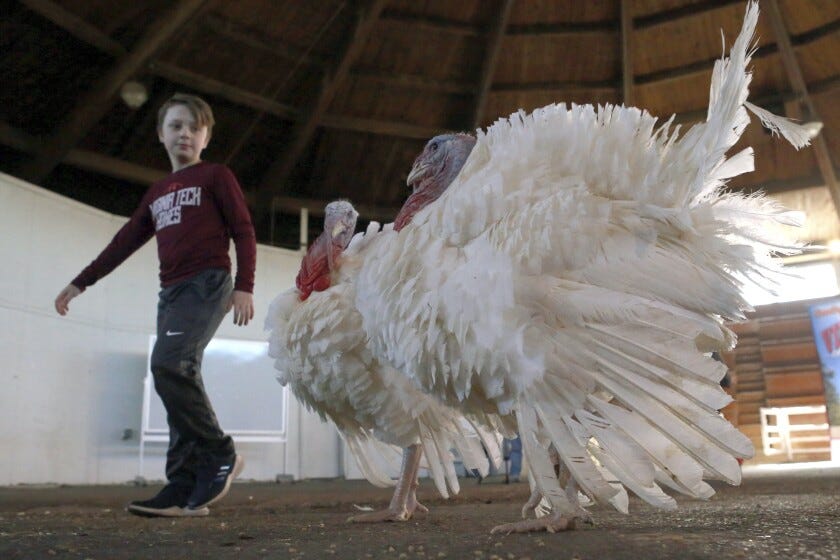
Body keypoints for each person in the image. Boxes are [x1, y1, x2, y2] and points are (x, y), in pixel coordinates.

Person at [54, 93, 256, 518]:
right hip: (172, 293)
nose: (185, 133)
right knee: (175, 377)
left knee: (168, 365)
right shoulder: (158, 191)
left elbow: (243, 230)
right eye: (176, 125)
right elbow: (124, 241)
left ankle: (220, 452)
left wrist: (244, 285)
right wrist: (80, 282)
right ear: (162, 134)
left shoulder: (215, 175)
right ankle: (182, 484)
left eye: (194, 127)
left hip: (208, 283)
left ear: (206, 137)